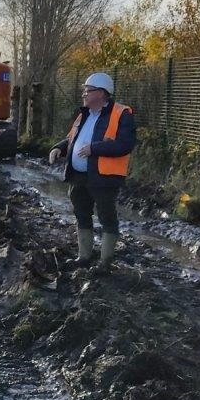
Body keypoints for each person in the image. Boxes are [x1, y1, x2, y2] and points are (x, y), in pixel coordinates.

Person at [48, 72, 136, 270]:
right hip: (78, 177)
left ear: (101, 93)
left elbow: (125, 144)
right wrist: (58, 148)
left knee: (107, 218)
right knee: (81, 215)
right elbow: (72, 139)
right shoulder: (84, 115)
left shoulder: (122, 114)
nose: (84, 94)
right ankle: (84, 257)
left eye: (87, 90)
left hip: (104, 178)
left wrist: (94, 148)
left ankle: (104, 263)